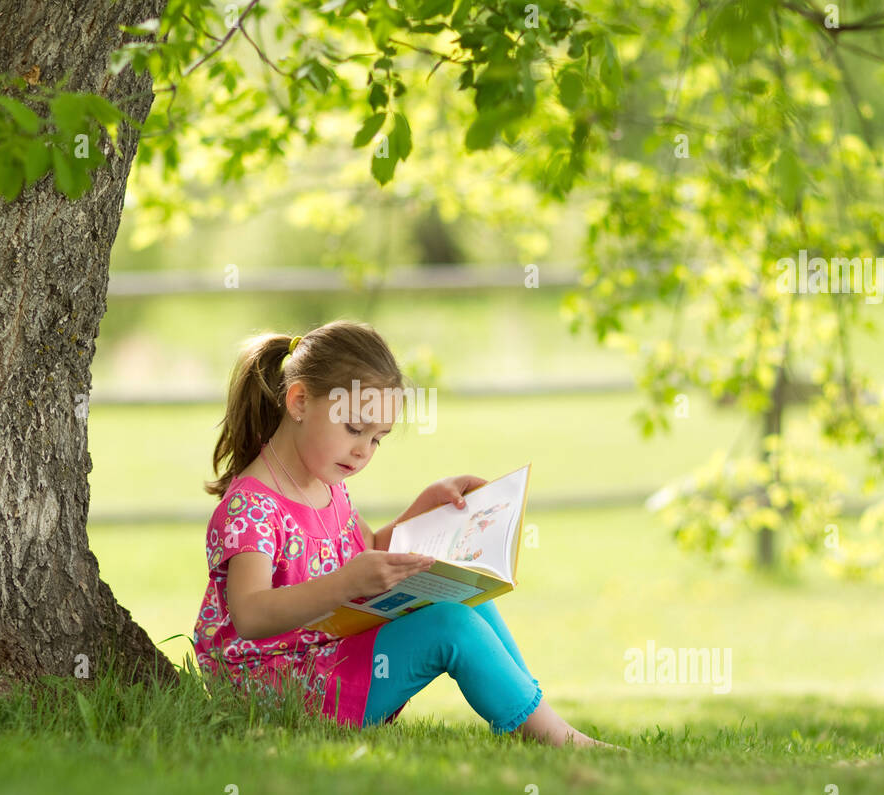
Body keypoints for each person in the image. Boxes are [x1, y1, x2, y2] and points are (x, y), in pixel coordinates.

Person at [193, 320, 625, 749]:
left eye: (378, 439)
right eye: (354, 429)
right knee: (449, 626)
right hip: (278, 687)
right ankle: (553, 735)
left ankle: (536, 716)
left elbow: (370, 551)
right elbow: (250, 615)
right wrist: (345, 583)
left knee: (463, 597)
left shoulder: (325, 483)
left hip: (326, 655)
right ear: (300, 401)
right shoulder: (251, 506)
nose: (363, 451)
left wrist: (426, 507)